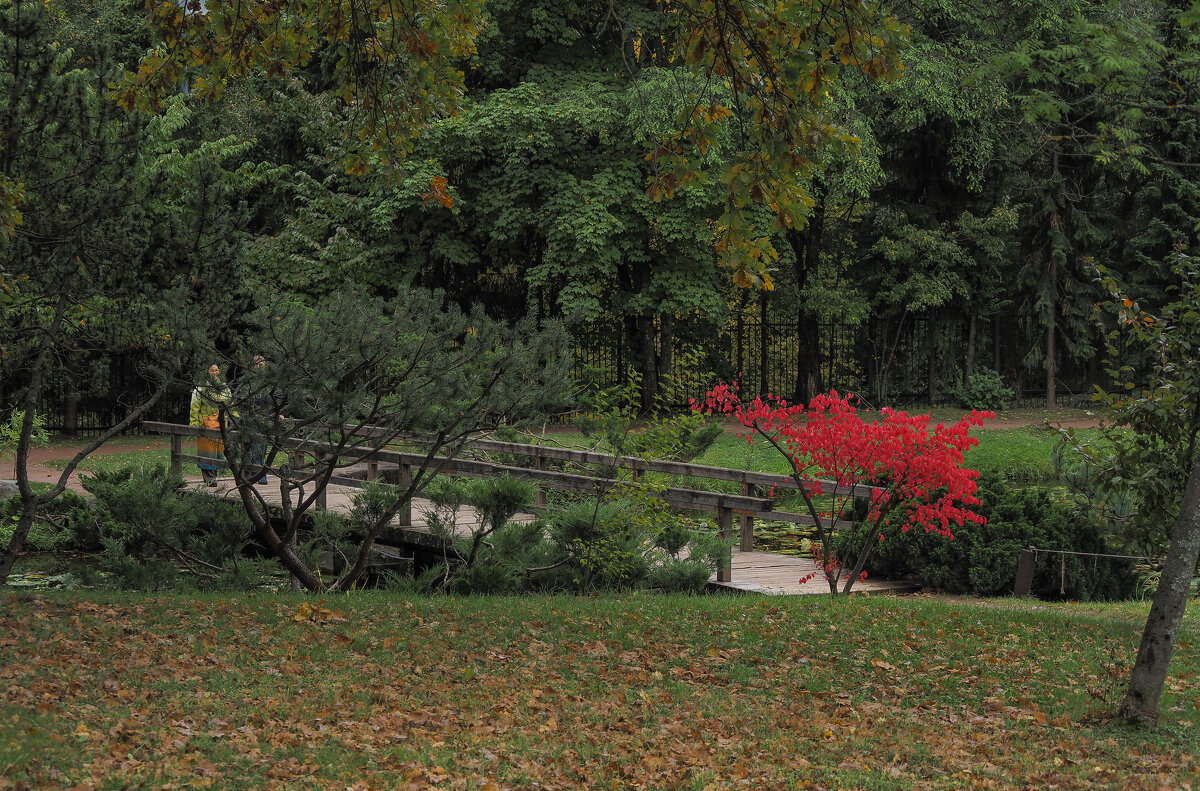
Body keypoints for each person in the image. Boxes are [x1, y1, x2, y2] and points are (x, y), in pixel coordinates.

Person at [235, 355, 285, 484]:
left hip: (267, 418)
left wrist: (277, 413)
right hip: (251, 419)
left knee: (262, 447)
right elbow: (240, 398)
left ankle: (256, 473)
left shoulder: (270, 380)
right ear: (253, 366)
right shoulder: (246, 380)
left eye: (262, 364)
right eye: (258, 364)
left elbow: (278, 397)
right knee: (253, 446)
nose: (261, 366)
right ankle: (259, 475)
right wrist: (254, 413)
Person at [189, 363, 231, 487]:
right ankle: (209, 478)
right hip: (205, 425)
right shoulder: (201, 388)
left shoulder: (224, 387)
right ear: (207, 372)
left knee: (218, 453)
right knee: (207, 452)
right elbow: (194, 406)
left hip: (220, 426)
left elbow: (230, 403)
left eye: (216, 370)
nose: (215, 372)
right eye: (212, 370)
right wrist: (194, 423)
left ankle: (214, 476)